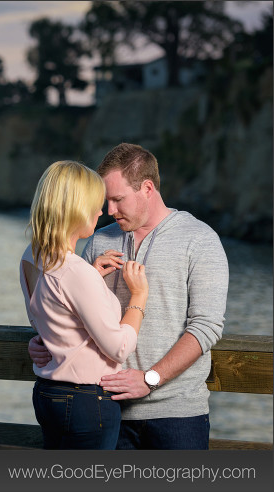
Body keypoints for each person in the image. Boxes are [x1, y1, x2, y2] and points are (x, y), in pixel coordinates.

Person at [28, 143, 228, 449]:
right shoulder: (98, 241)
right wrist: (47, 340)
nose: (109, 211)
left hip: (176, 414)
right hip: (106, 409)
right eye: (105, 201)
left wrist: (150, 379)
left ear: (147, 188)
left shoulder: (200, 240)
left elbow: (206, 327)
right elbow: (71, 308)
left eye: (118, 199)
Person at [21, 160, 148, 449]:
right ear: (75, 207)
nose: (102, 211)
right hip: (85, 402)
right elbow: (118, 347)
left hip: (47, 394)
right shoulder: (75, 271)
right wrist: (138, 297)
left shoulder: (32, 256)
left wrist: (90, 275)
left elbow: (44, 316)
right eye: (95, 203)